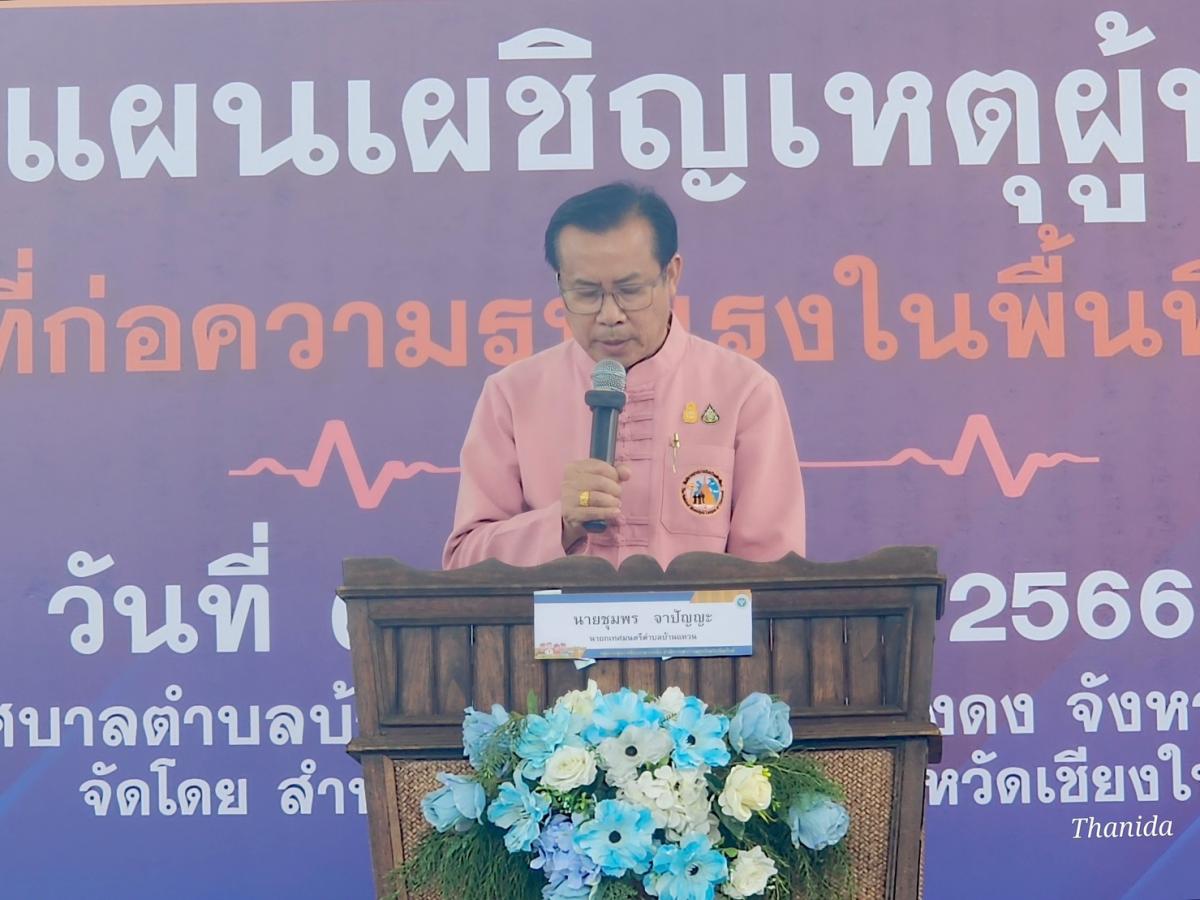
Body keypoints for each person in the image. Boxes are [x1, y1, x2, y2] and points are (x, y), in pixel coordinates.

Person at [442, 182, 806, 570]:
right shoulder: (512, 395)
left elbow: (775, 573)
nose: (610, 315)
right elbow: (464, 563)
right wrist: (560, 523)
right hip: (555, 614)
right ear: (560, 285)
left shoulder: (744, 392)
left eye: (630, 290)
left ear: (672, 275)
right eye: (586, 293)